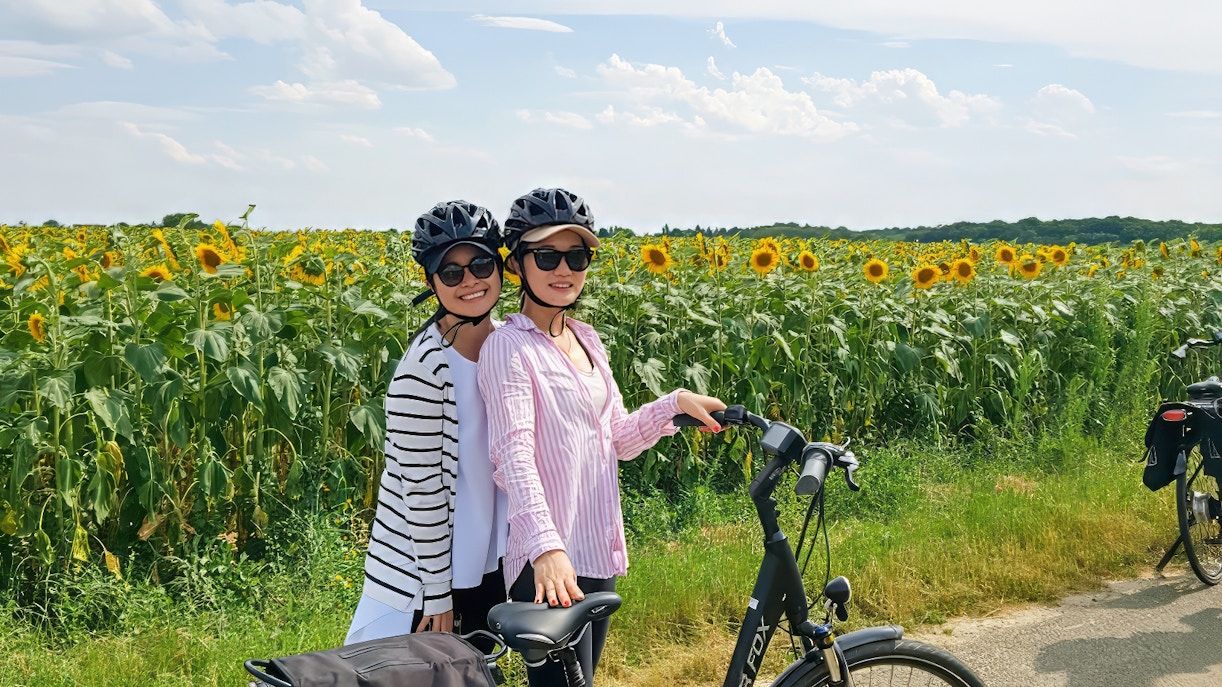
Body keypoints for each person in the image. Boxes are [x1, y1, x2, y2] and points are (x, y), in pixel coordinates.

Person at [477, 188, 725, 685]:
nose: (564, 268)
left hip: (594, 552)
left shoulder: (587, 339)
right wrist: (546, 549)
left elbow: (617, 439)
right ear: (517, 265)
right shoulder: (508, 346)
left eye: (578, 255)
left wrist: (672, 404)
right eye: (547, 256)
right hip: (549, 562)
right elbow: (513, 457)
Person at [346, 200, 509, 650]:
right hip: (428, 576)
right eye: (451, 272)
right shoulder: (425, 367)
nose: (470, 281)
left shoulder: (509, 347)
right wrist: (438, 595)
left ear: (499, 266)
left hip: (486, 562)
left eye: (480, 264)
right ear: (431, 282)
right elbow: (421, 492)